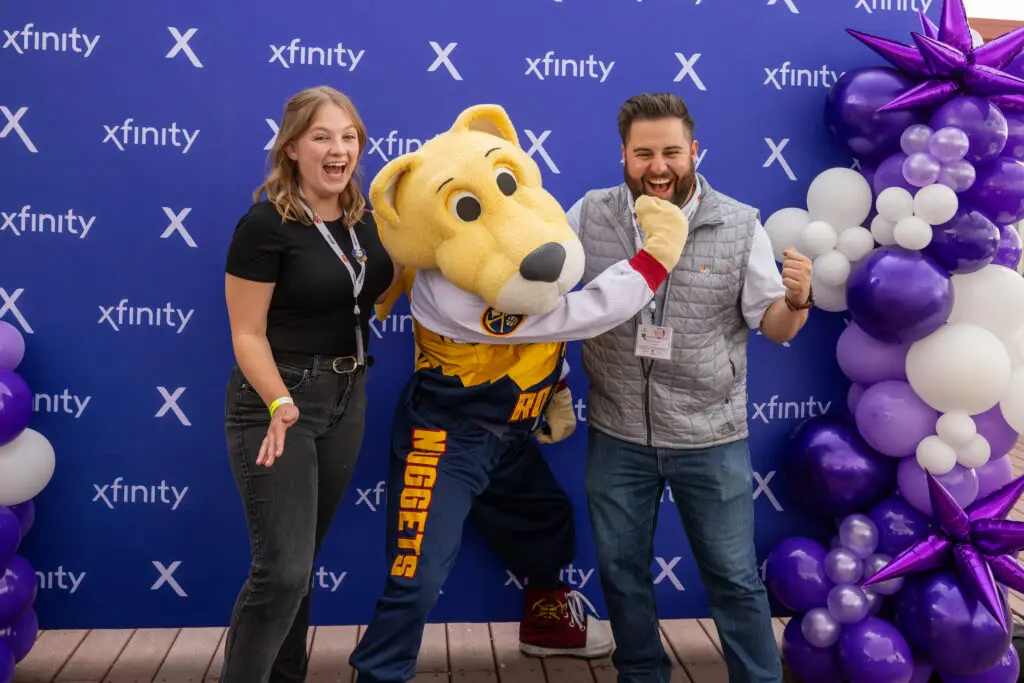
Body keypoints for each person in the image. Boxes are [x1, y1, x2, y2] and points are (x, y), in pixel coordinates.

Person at [567, 92, 814, 683]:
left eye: (671, 152)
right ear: (624, 154)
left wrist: (799, 299)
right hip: (618, 431)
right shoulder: (590, 214)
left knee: (733, 578)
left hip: (711, 435)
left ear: (694, 151)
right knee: (621, 572)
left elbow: (775, 326)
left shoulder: (739, 223)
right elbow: (546, 289)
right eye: (643, 153)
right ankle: (642, 675)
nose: (658, 167)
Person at [220, 85, 397, 683]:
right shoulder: (265, 225)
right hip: (278, 401)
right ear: (292, 147)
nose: (338, 149)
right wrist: (279, 401)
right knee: (284, 571)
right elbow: (247, 333)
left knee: (302, 566)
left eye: (348, 137)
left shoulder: (366, 220)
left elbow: (372, 290)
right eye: (322, 137)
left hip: (348, 396)